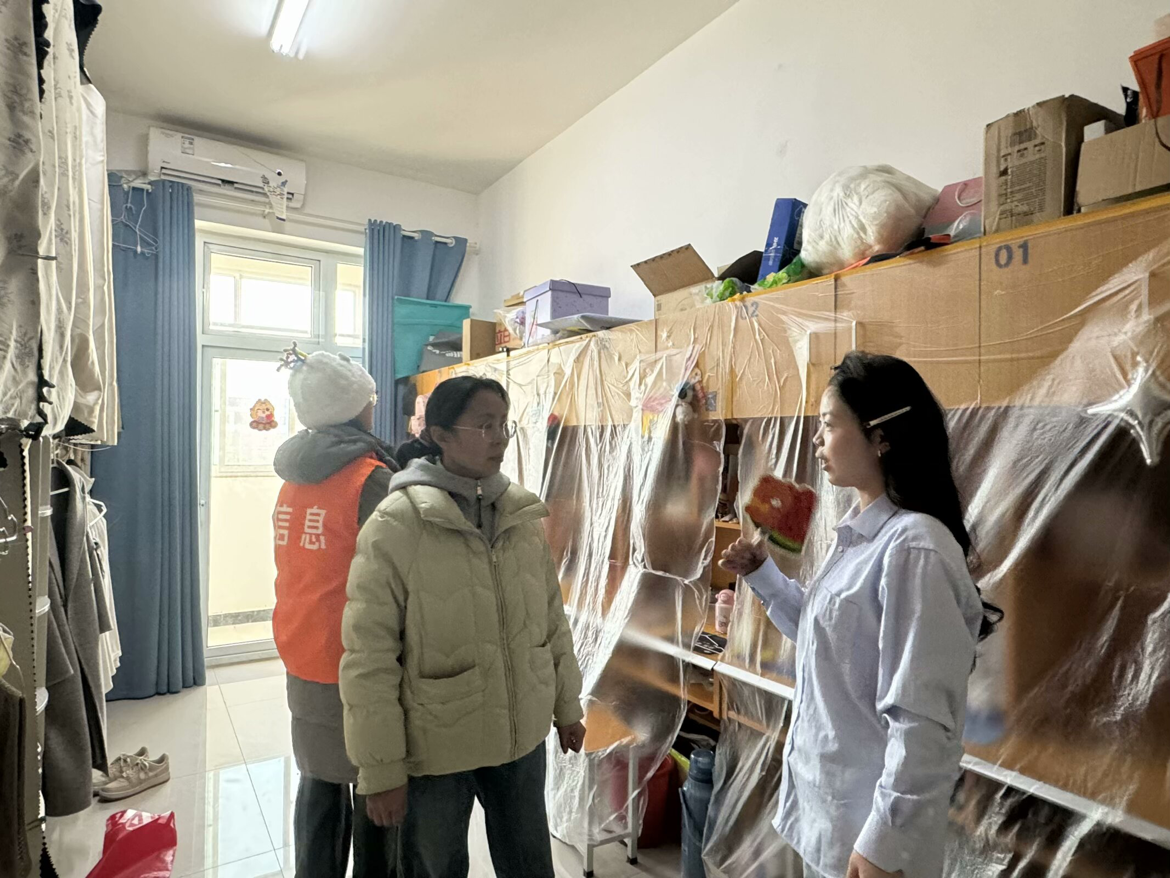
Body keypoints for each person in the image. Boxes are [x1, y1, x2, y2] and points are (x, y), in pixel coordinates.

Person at [720, 351, 1002, 878]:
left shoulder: (914, 548)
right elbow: (825, 639)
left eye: (829, 425)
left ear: (881, 438)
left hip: (871, 840)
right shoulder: (860, 532)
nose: (816, 439)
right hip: (830, 817)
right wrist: (763, 575)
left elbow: (923, 722)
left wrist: (884, 843)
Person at [340, 376, 586, 878]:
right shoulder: (397, 524)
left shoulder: (520, 516)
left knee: (529, 862)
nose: (499, 438)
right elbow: (369, 655)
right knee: (435, 866)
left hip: (519, 736)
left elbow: (550, 619)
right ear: (441, 435)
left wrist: (567, 705)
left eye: (504, 425)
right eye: (484, 425)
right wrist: (381, 768)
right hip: (437, 744)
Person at [272, 347, 399, 878]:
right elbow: (398, 575)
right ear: (355, 407)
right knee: (377, 783)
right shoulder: (370, 479)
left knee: (319, 777)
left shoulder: (296, 475)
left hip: (302, 643)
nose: (375, 405)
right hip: (356, 655)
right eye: (371, 398)